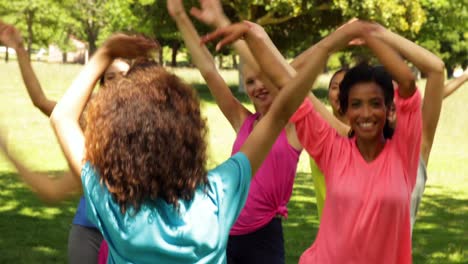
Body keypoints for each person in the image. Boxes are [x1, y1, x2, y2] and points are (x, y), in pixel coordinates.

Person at [41, 0, 344, 260]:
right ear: (191, 137)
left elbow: (62, 117)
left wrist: (105, 53)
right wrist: (257, 34)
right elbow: (287, 104)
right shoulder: (218, 198)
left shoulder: (112, 206)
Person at [204, 19, 421, 263]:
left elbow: (407, 82)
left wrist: (371, 34)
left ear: (389, 109)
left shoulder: (404, 153)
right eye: (356, 105)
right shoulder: (332, 149)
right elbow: (286, 82)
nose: (366, 114)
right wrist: (254, 32)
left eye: (375, 104)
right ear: (345, 110)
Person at [0, 21, 129, 264]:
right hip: (89, 231)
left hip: (130, 234)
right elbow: (40, 101)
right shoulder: (90, 117)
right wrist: (19, 49)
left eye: (125, 74)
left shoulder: (155, 127)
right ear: (102, 86)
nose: (119, 81)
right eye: (110, 77)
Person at [187, 1, 302, 263]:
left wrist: (223, 23)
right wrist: (187, 20)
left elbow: (280, 75)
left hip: (264, 237)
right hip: (225, 230)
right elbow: (208, 71)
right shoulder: (244, 122)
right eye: (250, 81)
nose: (258, 86)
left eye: (264, 78)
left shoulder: (294, 125)